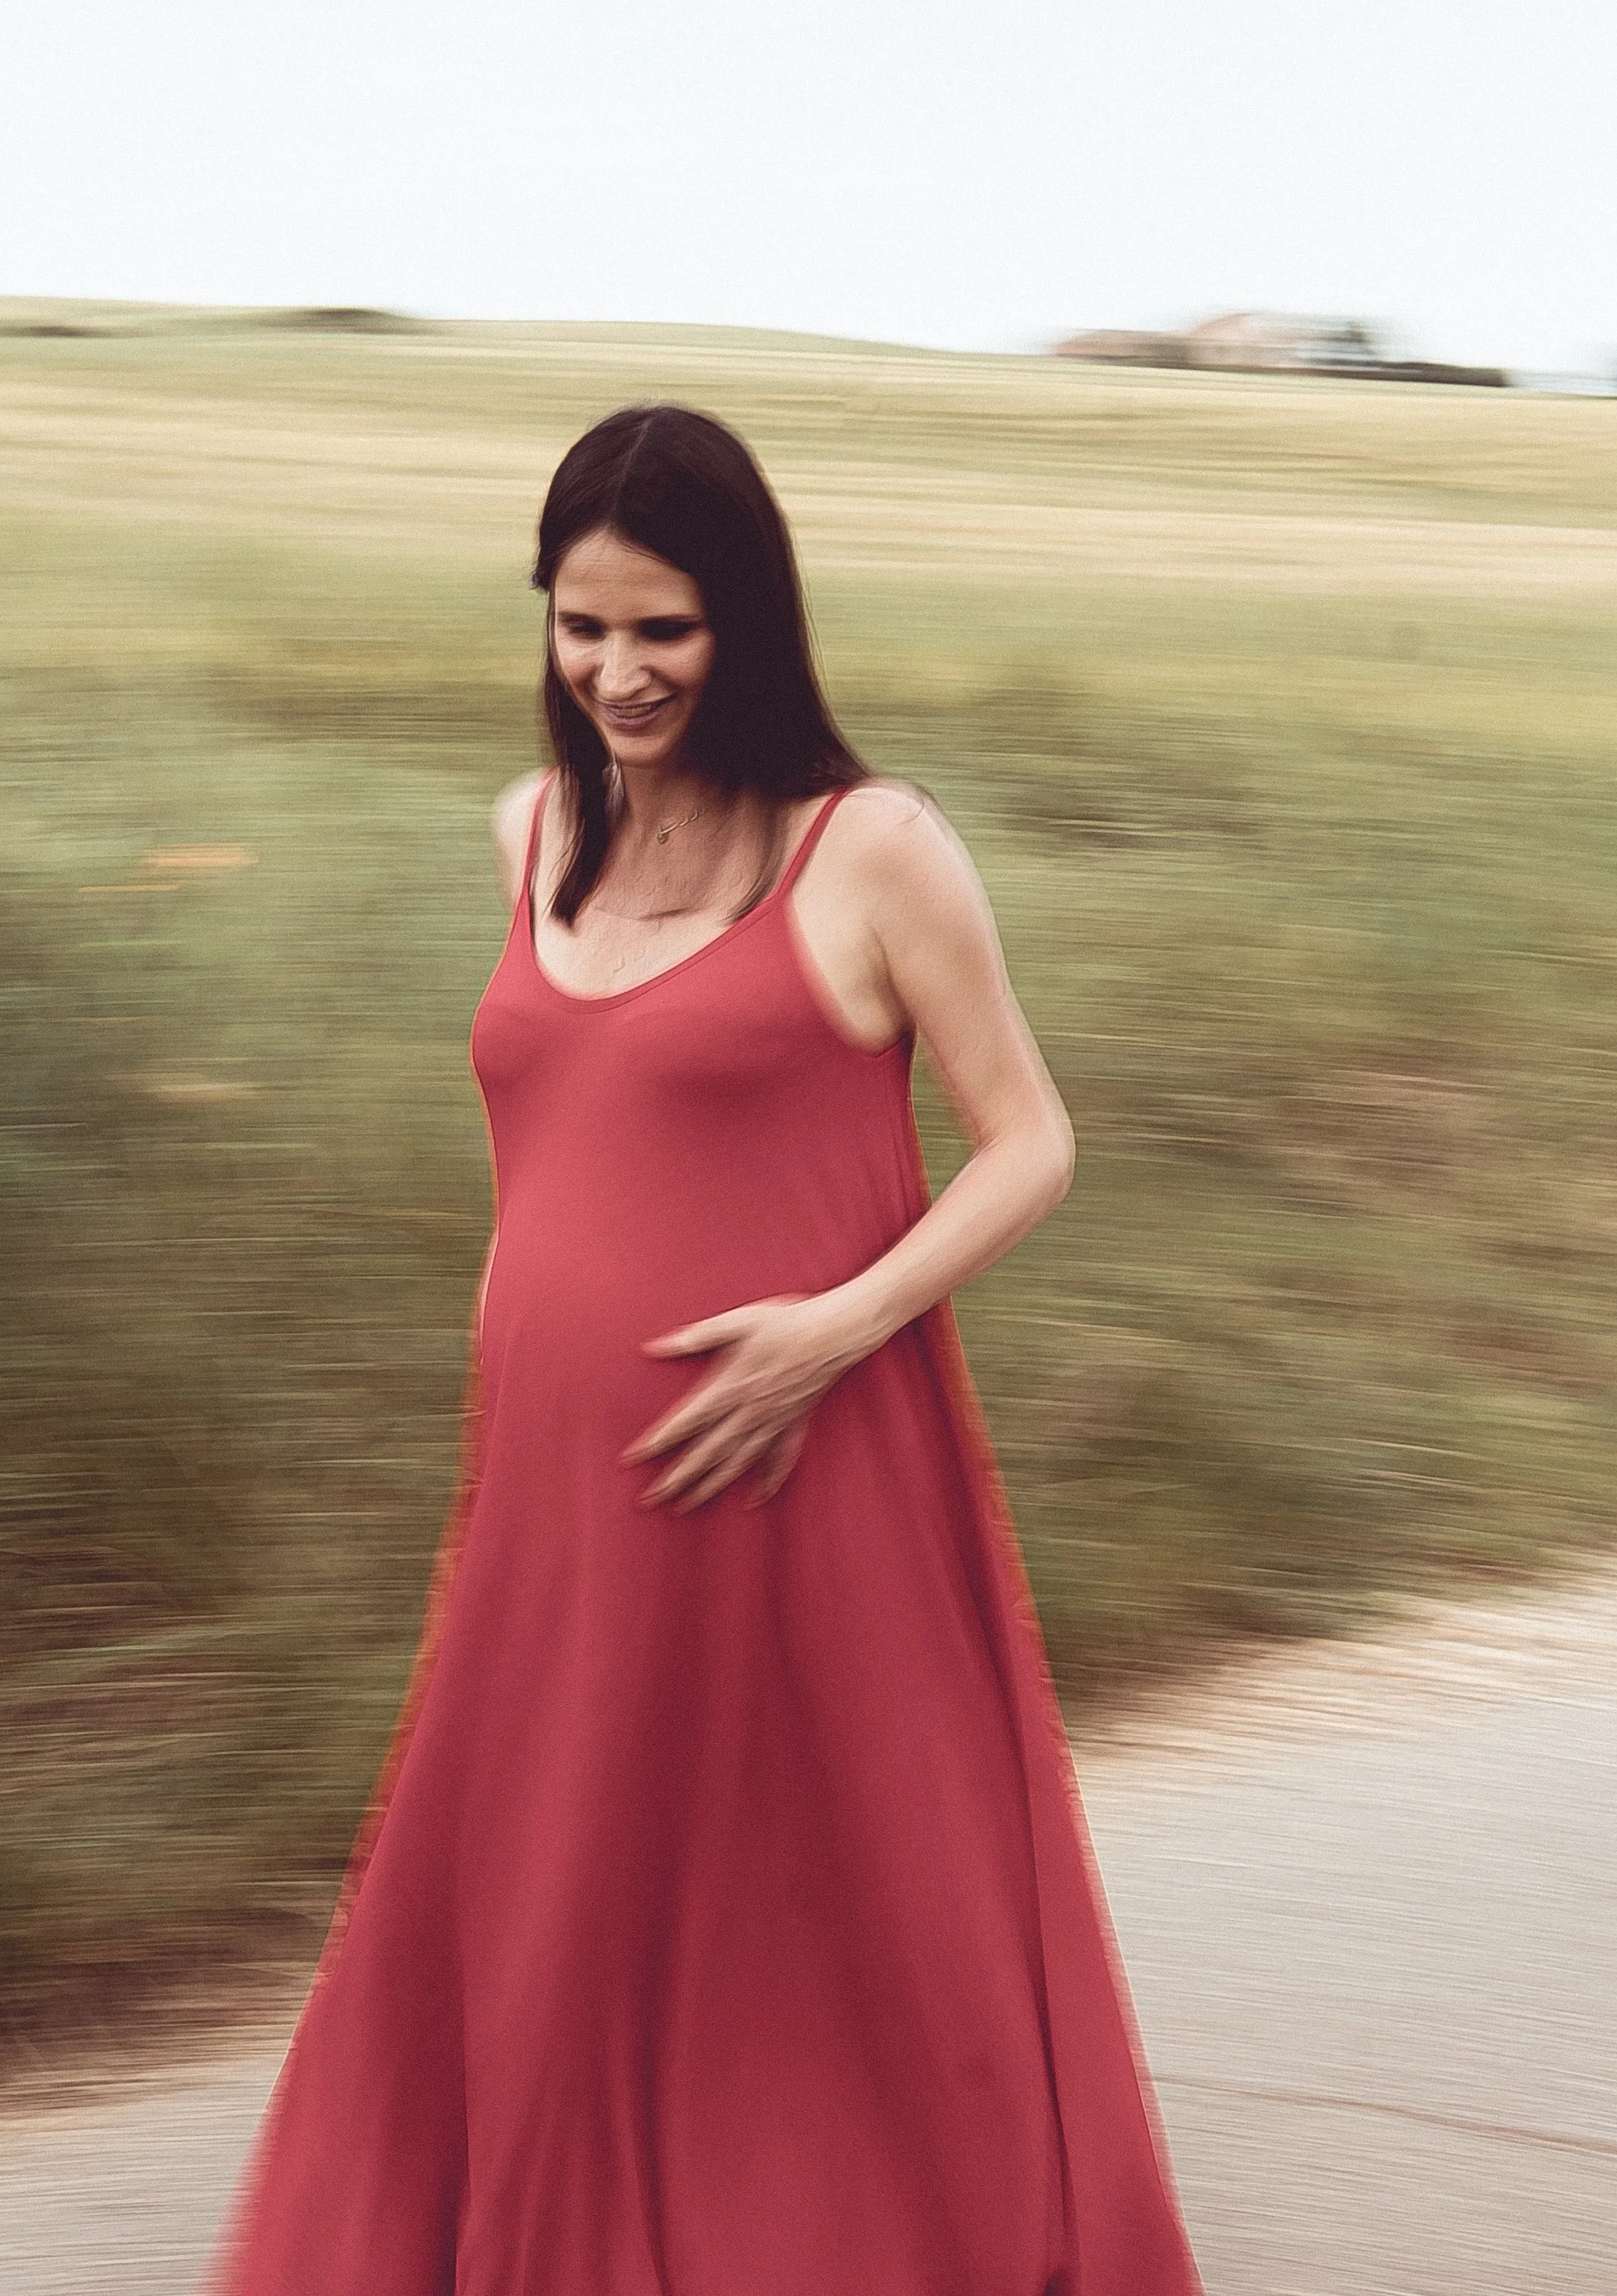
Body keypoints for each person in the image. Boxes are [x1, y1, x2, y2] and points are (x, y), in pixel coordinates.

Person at [213, 404, 1202, 2295]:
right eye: (580, 626)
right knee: (552, 1889)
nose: (616, 672)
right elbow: (556, 1154)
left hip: (793, 1471)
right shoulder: (527, 832)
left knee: (807, 1912)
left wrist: (833, 1328)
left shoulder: (871, 849)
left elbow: (1030, 1142)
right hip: (553, 1503)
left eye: (659, 627)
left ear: (742, 616)